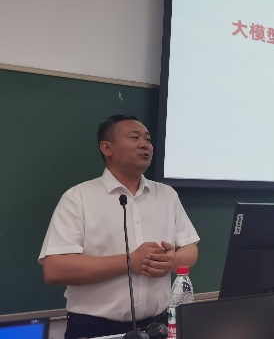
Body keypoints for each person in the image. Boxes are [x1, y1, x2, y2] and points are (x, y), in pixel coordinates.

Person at [39, 115, 200, 339]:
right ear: (107, 148)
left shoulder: (167, 195)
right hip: (95, 329)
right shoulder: (78, 198)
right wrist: (129, 262)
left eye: (148, 139)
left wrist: (172, 261)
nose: (145, 144)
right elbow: (55, 270)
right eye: (135, 138)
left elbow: (191, 250)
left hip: (158, 327)